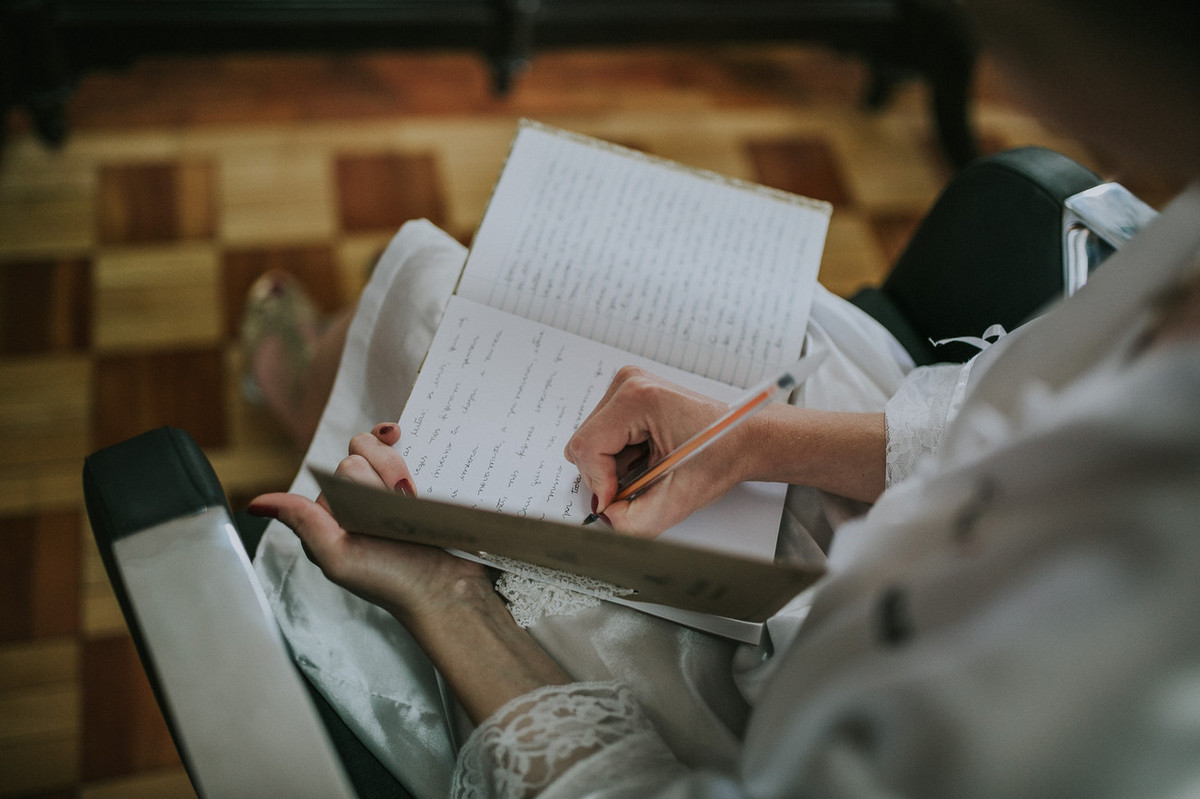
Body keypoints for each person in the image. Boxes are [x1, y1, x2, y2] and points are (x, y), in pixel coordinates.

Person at [246, 0, 1200, 794]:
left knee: (420, 316)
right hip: (868, 474)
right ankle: (323, 378)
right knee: (482, 296)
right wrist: (754, 442)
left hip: (769, 690)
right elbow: (977, 427)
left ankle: (302, 390)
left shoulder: (1126, 700)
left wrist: (451, 596)